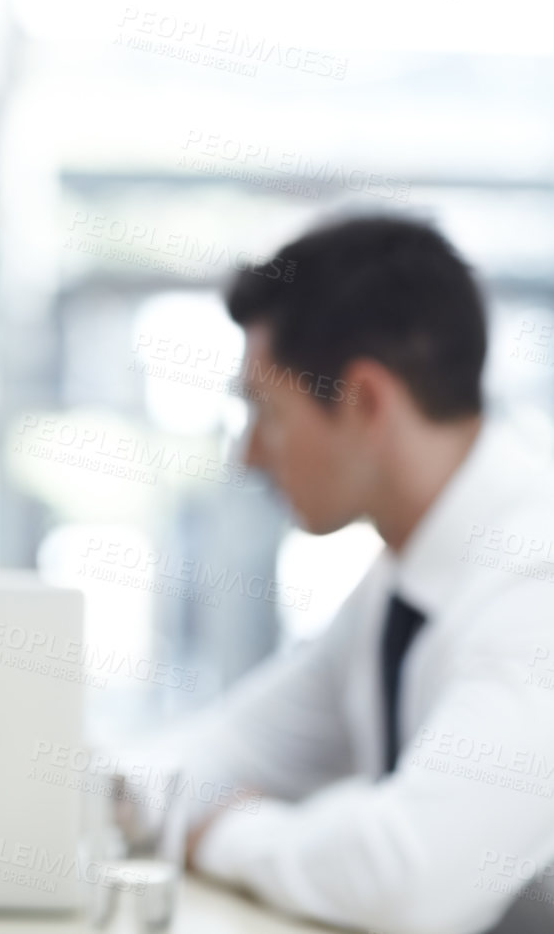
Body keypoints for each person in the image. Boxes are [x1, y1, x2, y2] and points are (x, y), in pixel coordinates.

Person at [153, 216, 554, 934]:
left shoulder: (535, 578)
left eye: (266, 412)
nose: (249, 455)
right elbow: (225, 754)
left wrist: (224, 833)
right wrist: (133, 795)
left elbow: (410, 880)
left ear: (365, 400)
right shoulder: (403, 578)